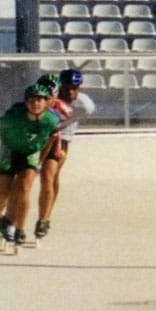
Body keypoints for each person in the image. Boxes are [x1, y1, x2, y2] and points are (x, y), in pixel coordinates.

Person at [0, 83, 59, 246]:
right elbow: (1, 130)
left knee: (23, 189)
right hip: (10, 150)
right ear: (26, 102)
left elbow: (51, 139)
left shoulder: (51, 120)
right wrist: (9, 146)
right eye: (32, 100)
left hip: (31, 153)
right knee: (1, 189)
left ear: (46, 102)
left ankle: (19, 227)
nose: (36, 104)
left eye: (40, 100)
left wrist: (40, 160)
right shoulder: (12, 116)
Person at [34, 68, 96, 238]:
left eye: (74, 88)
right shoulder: (49, 97)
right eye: (66, 87)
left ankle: (44, 219)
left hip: (62, 139)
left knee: (49, 175)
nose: (70, 92)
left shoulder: (85, 105)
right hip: (40, 137)